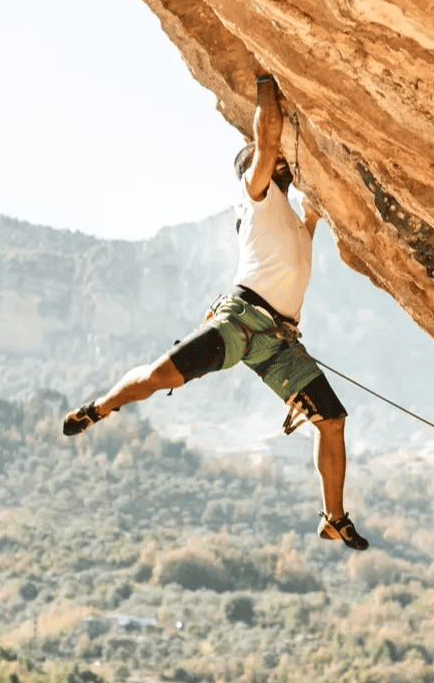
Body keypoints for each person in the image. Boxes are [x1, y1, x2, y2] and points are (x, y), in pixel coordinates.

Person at [62, 74, 367, 550]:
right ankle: (99, 407)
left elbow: (311, 217)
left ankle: (334, 517)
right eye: (272, 162)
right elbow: (266, 143)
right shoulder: (255, 195)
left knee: (332, 420)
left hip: (280, 342)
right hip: (240, 320)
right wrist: (266, 79)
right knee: (161, 375)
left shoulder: (295, 220)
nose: (281, 164)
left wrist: (315, 205)